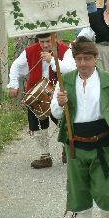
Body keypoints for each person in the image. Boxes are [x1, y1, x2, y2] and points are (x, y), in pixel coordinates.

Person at [50, 37, 109, 218]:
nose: (83, 63)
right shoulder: (65, 81)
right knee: (79, 193)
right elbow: (54, 112)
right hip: (75, 146)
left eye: (87, 58)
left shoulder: (108, 81)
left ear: (95, 58)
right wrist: (59, 103)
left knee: (106, 192)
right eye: (78, 59)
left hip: (101, 145)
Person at [8, 33, 75, 168]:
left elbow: (70, 69)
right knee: (37, 125)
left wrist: (52, 60)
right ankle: (45, 156)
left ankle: (68, 149)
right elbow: (16, 66)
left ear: (54, 38)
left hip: (58, 93)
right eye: (42, 41)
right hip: (37, 94)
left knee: (64, 122)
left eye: (48, 41)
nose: (45, 45)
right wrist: (13, 84)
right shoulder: (30, 51)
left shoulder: (65, 51)